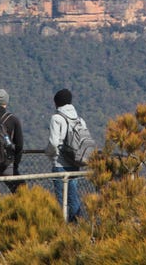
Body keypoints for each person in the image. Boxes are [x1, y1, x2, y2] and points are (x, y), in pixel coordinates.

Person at [45, 88, 84, 222]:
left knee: (62, 199)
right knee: (73, 196)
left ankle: (65, 227)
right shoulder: (79, 120)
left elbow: (54, 143)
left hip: (60, 164)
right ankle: (77, 226)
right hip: (75, 162)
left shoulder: (56, 118)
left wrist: (49, 154)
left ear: (57, 103)